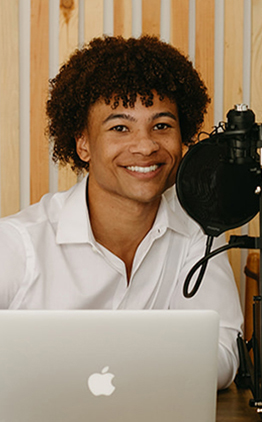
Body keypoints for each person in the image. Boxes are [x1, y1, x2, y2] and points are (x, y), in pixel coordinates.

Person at [0, 35, 243, 390]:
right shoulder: (18, 245)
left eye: (162, 126)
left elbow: (224, 354)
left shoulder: (198, 234)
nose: (145, 146)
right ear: (82, 143)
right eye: (119, 128)